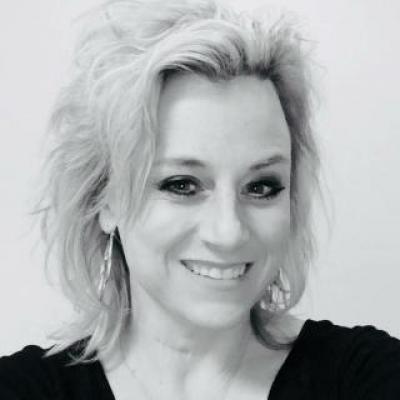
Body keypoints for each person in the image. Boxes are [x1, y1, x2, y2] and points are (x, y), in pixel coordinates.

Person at [1, 0, 400, 399]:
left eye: (261, 186)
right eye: (182, 185)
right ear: (106, 199)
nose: (228, 232)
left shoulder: (368, 376)